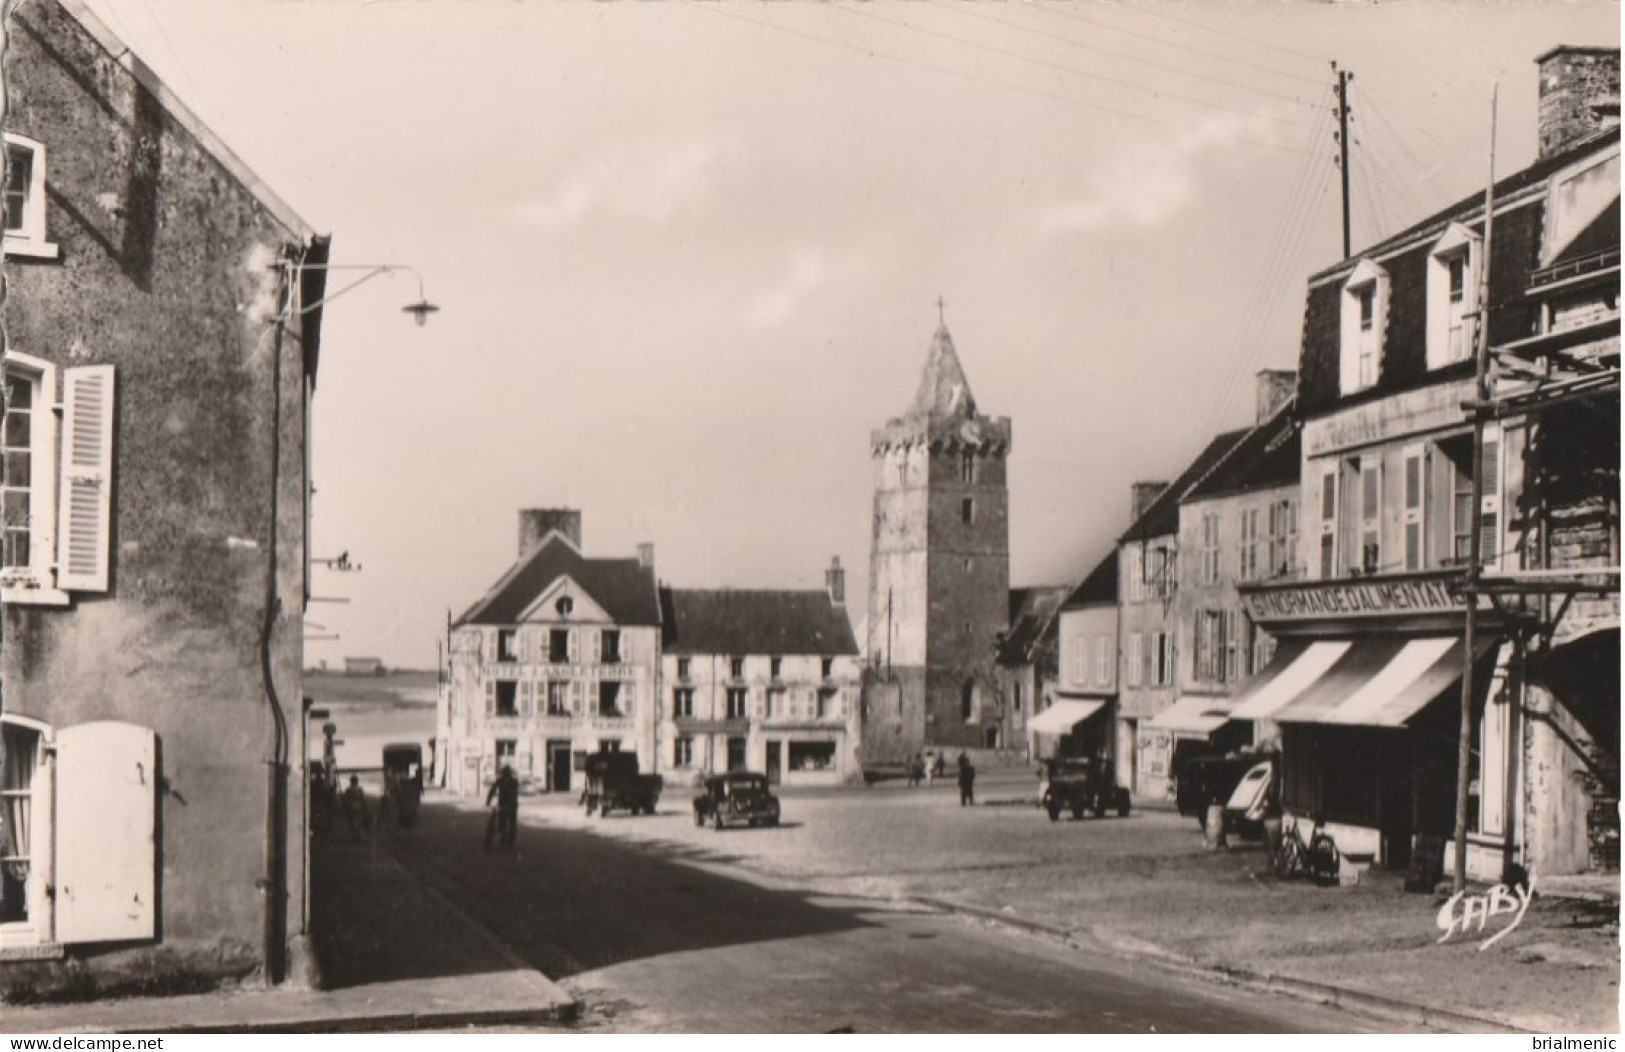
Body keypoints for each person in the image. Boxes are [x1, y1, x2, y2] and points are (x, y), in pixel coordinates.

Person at [485, 765, 520, 851]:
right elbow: (492, 790)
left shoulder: (510, 782)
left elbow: (513, 794)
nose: (505, 775)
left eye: (506, 774)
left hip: (510, 804)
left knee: (509, 822)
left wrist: (488, 801)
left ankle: (509, 840)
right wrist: (488, 800)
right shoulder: (506, 781)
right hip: (507, 804)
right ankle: (507, 839)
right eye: (505, 774)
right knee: (505, 822)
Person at [341, 775, 369, 842]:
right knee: (359, 823)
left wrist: (342, 800)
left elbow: (345, 799)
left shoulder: (348, 789)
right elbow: (363, 799)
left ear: (351, 781)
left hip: (350, 807)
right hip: (359, 807)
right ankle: (359, 836)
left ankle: (355, 836)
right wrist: (365, 808)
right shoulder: (360, 789)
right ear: (357, 781)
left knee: (352, 823)